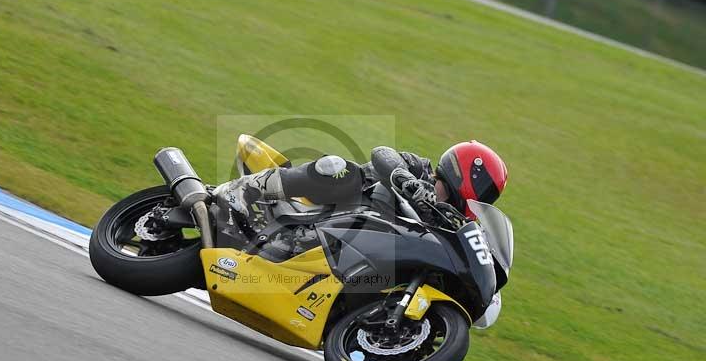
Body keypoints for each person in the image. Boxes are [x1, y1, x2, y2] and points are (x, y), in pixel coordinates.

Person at [212, 140, 507, 228]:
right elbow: (382, 153)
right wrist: (405, 180)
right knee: (341, 170)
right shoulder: (418, 167)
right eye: (486, 190)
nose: (485, 198)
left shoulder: (450, 221)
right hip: (335, 204)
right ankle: (248, 189)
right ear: (467, 172)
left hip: (356, 242)